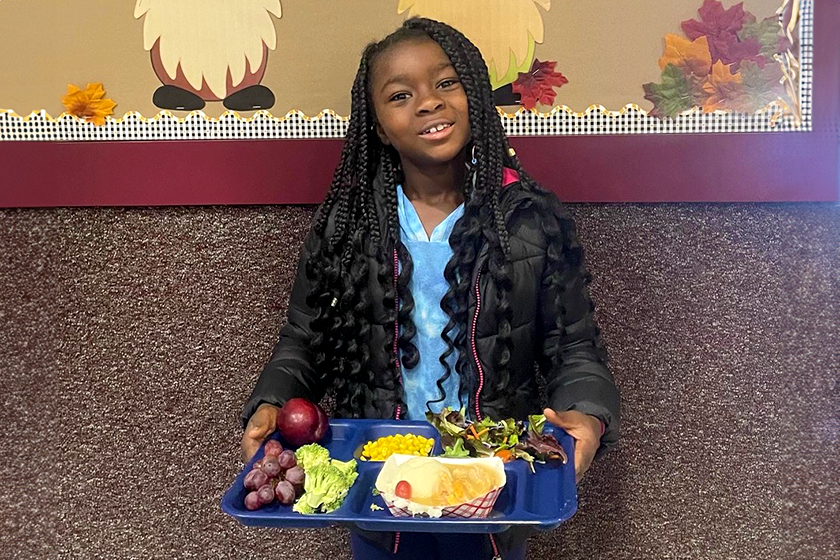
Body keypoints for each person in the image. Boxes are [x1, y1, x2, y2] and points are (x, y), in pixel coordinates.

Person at [240, 17, 620, 560]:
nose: (429, 103)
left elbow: (576, 349)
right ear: (376, 124)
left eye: (447, 83)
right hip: (379, 492)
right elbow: (304, 338)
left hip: (493, 493)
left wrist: (587, 413)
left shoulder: (531, 220)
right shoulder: (347, 225)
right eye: (401, 94)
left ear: (475, 94)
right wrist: (272, 401)